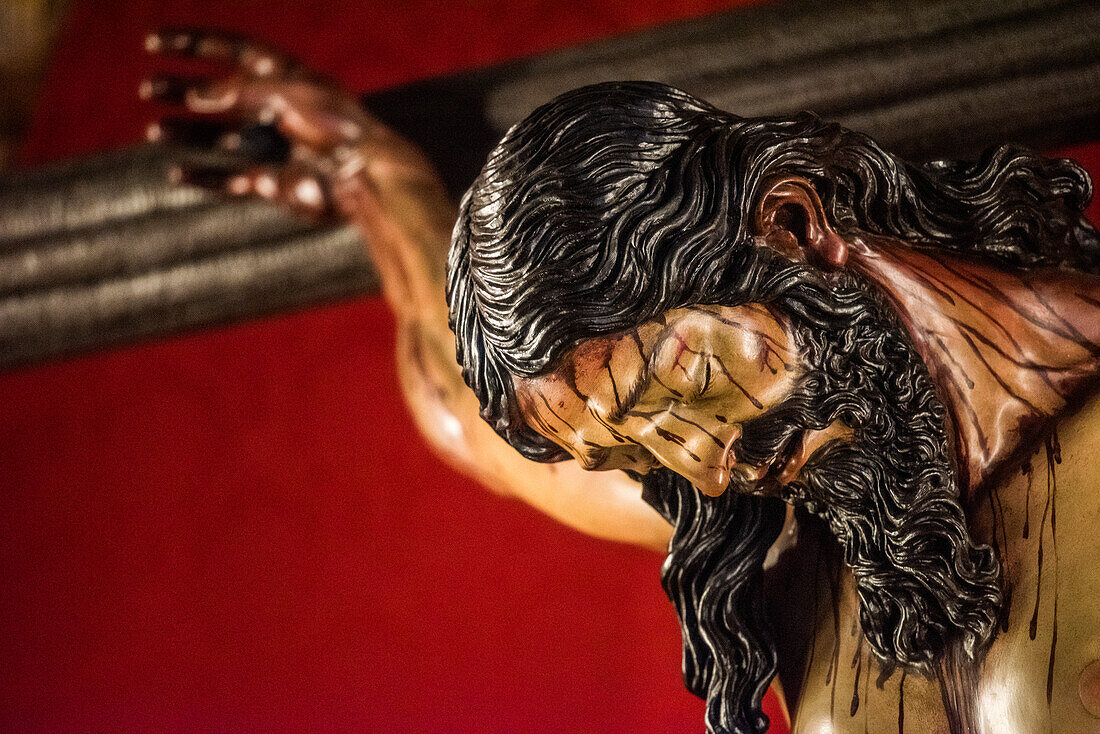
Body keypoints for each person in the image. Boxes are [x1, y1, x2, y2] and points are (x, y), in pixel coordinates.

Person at [145, 30, 1100, 734]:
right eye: (634, 449)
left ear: (794, 226)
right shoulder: (812, 506)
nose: (704, 465)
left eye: (671, 388)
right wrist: (371, 177)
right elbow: (459, 413)